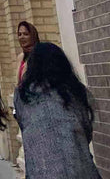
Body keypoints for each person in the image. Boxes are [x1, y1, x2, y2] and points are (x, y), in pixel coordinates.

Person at [14, 42, 101, 179]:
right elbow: (86, 131)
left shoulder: (22, 95)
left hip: (41, 171)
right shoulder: (77, 92)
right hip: (80, 169)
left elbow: (24, 126)